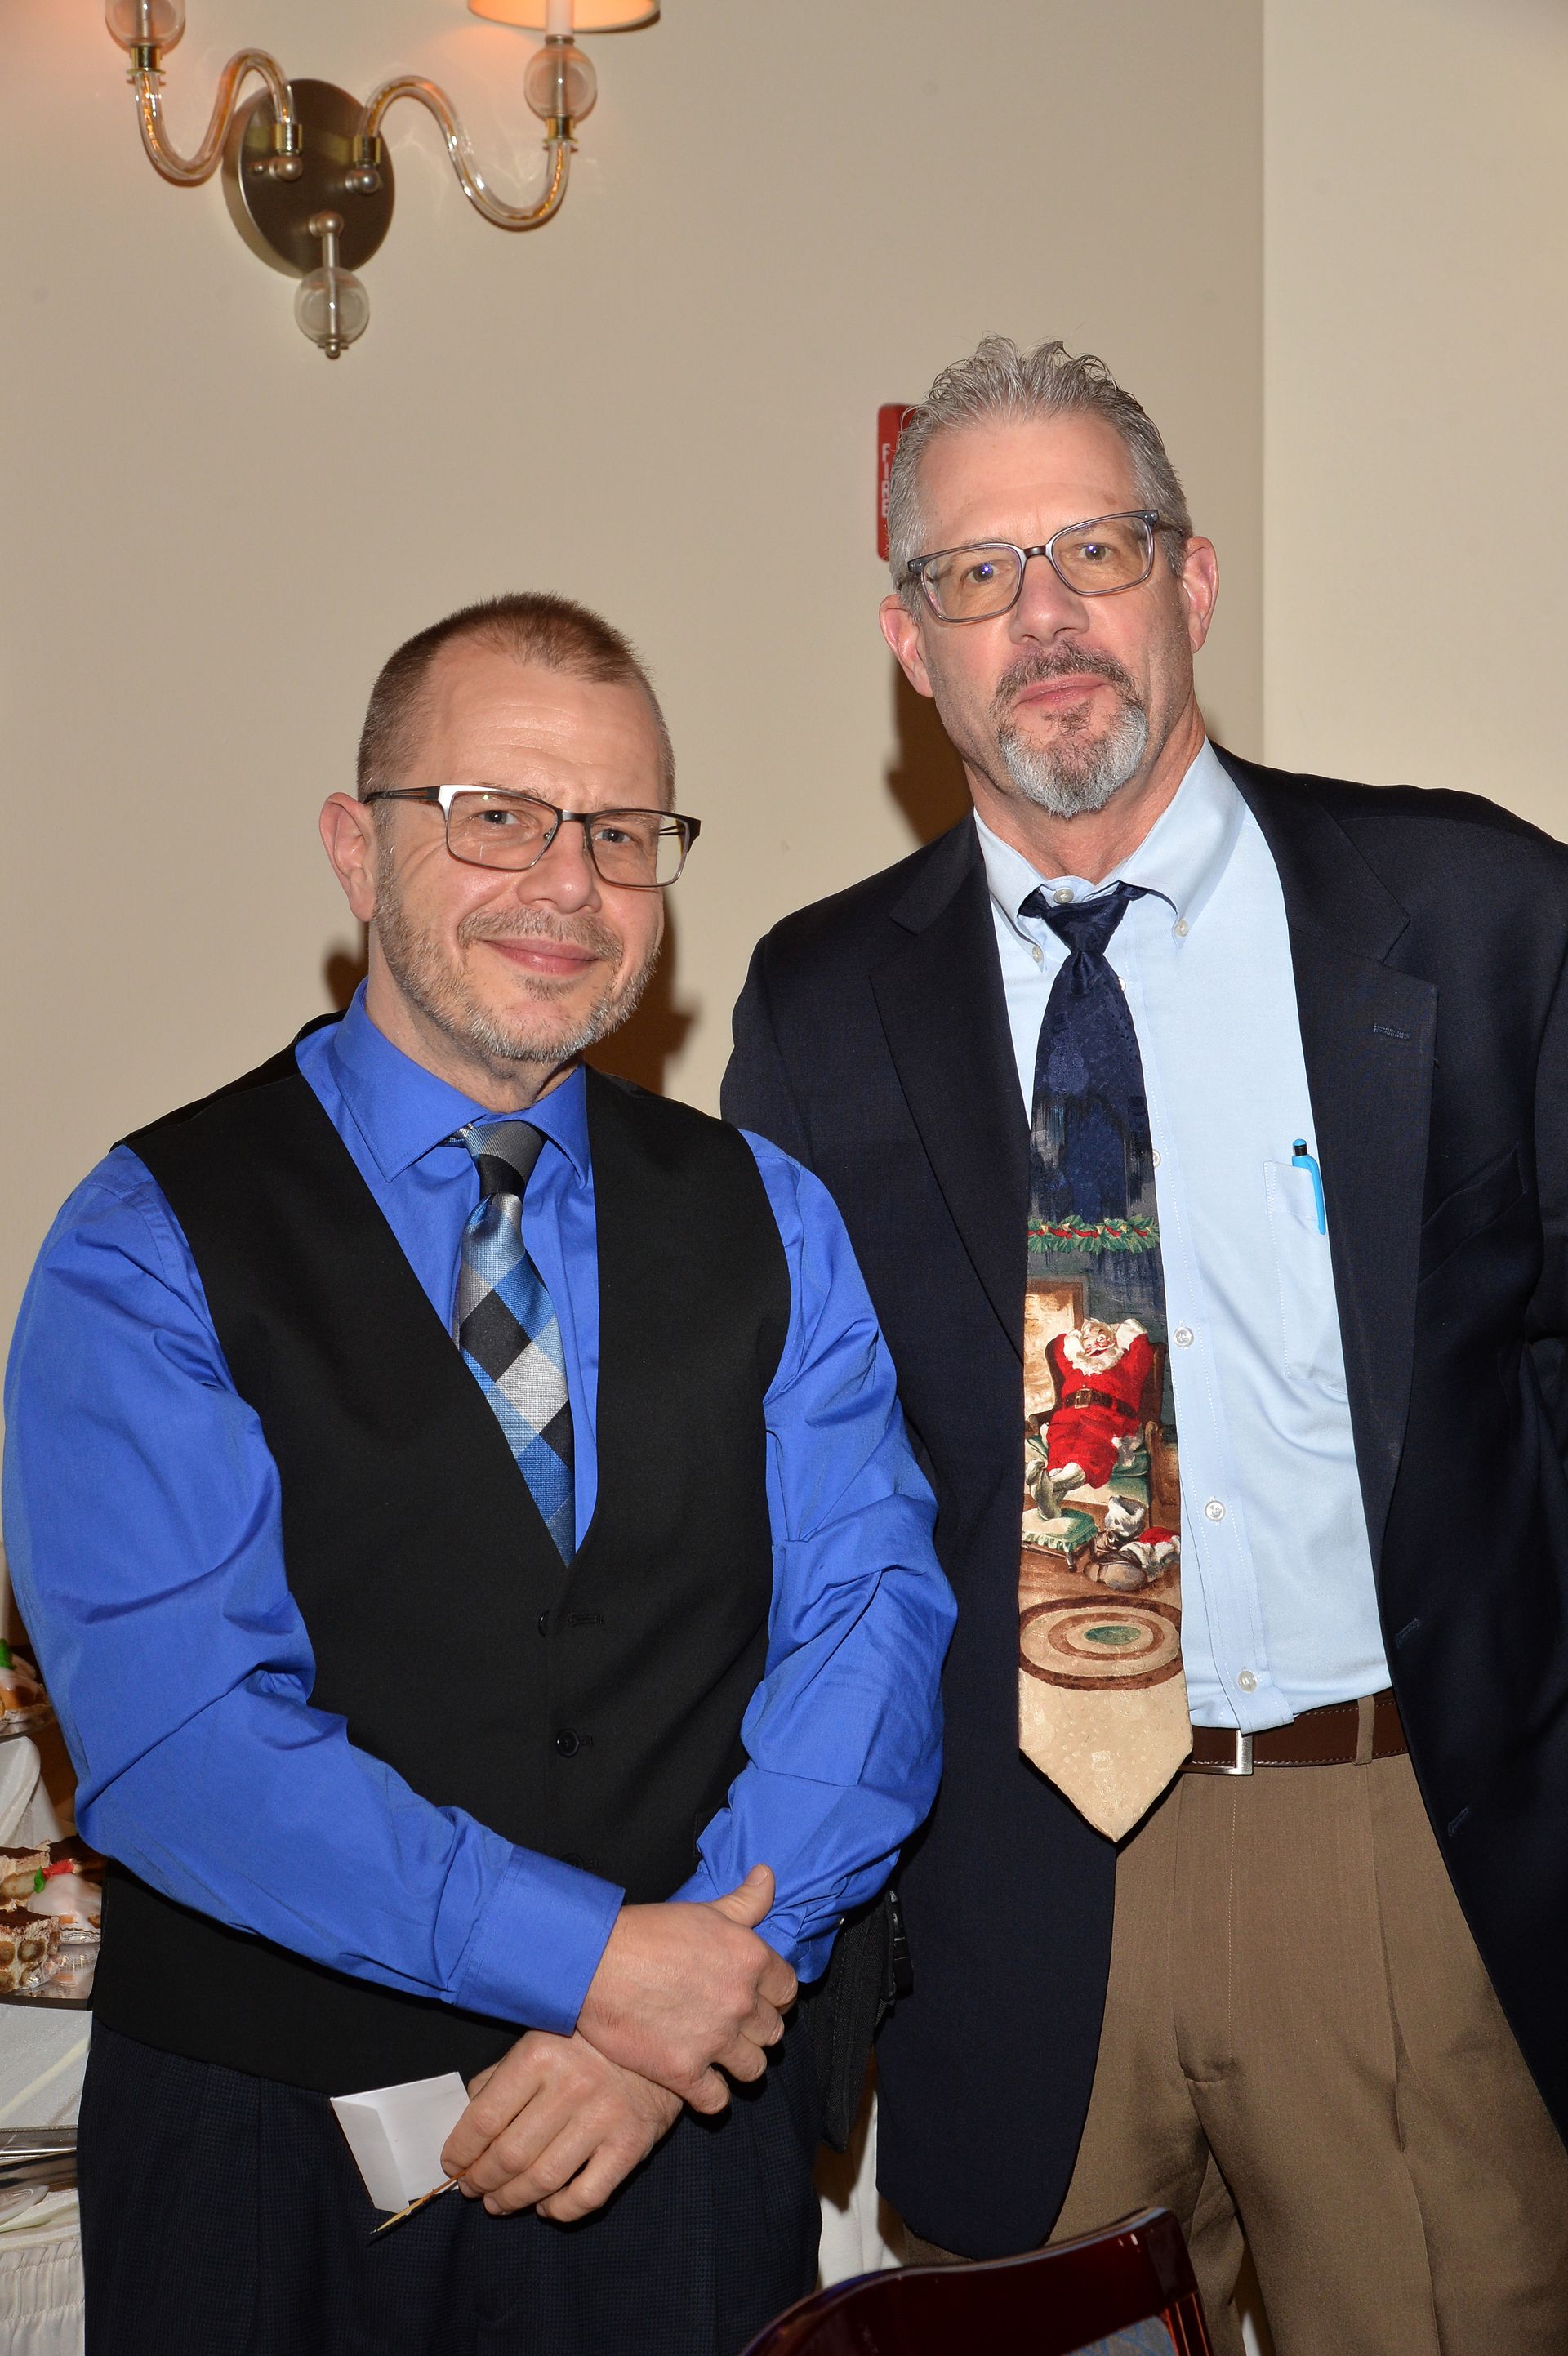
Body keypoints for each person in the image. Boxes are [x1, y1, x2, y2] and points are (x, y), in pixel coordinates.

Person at [722, 336, 1568, 2354]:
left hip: (1396, 1855)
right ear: (909, 648)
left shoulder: (1473, 911)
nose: (1048, 619)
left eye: (1095, 548)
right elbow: (797, 1475)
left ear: (1192, 581)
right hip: (1014, 1881)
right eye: (978, 575)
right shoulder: (819, 1001)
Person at [3, 592, 955, 2356]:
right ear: (355, 851)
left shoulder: (774, 1220)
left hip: (681, 2150)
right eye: (496, 816)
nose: (566, 885)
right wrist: (598, 1966)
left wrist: (681, 2004)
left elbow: (877, 1622)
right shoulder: (145, 1241)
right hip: (262, 2175)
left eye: (621, 833)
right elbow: (176, 1741)